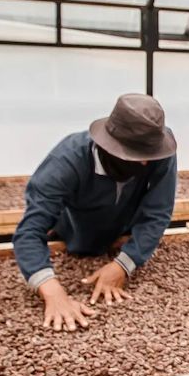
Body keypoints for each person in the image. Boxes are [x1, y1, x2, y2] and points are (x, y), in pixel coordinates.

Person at [13, 94, 178, 331]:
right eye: (137, 157)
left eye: (148, 157)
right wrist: (52, 291)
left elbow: (158, 210)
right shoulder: (66, 162)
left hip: (124, 229)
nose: (145, 165)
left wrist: (124, 263)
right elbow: (29, 231)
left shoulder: (158, 149)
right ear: (110, 146)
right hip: (73, 231)